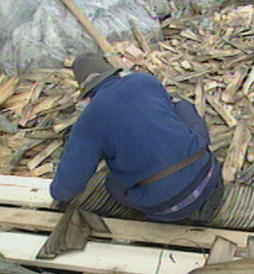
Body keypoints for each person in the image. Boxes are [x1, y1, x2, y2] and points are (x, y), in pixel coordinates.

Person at [50, 53, 223, 222]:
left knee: (112, 183)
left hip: (170, 205)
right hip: (209, 173)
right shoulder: (145, 80)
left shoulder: (88, 121)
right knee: (182, 107)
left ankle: (182, 208)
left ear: (87, 95)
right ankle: (199, 165)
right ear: (115, 73)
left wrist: (56, 192)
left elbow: (67, 189)